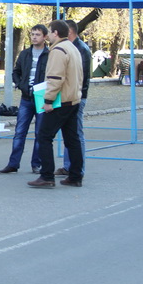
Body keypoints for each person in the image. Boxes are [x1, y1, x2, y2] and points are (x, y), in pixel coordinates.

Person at [28, 20, 84, 188]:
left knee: (44, 137)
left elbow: (55, 78)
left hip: (61, 101)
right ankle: (75, 176)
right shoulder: (72, 47)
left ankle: (46, 176)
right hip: (73, 99)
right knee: (72, 139)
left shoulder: (58, 50)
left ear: (55, 33)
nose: (49, 35)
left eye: (50, 32)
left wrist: (48, 101)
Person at [0, 24, 49, 174]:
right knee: (20, 131)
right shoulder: (25, 54)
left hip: (41, 97)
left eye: (37, 34)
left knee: (40, 132)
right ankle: (13, 163)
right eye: (32, 34)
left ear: (44, 37)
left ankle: (36, 164)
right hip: (26, 98)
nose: (34, 37)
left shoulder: (49, 54)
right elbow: (16, 72)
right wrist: (20, 85)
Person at [55, 20, 91, 177]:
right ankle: (69, 166)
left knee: (75, 133)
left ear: (69, 32)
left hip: (76, 96)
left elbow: (78, 76)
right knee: (70, 133)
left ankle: (76, 168)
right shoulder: (74, 47)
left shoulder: (79, 48)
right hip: (71, 95)